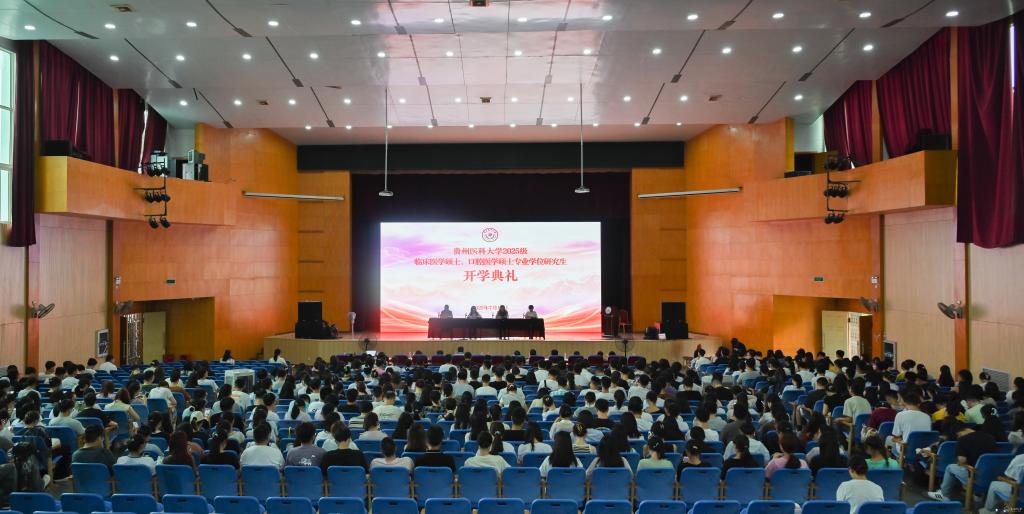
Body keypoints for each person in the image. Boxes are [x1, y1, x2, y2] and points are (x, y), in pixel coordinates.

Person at [927, 422, 998, 501]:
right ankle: (977, 496)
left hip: (975, 476)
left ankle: (944, 495)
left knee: (950, 467)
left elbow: (962, 460)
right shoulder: (990, 437)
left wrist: (959, 462)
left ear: (959, 433)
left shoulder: (963, 440)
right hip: (992, 475)